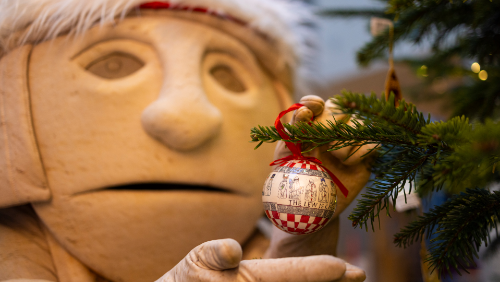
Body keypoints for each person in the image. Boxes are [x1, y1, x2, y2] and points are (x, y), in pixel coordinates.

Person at [0, 1, 373, 281]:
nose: (187, 119)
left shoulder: (252, 249)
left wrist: (297, 241)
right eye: (114, 63)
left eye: (227, 73)